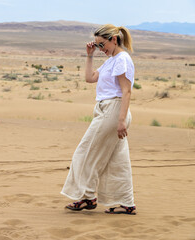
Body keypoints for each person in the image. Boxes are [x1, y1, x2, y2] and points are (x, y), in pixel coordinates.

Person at [60, 24, 136, 215]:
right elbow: (90, 78)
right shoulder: (110, 60)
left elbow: (126, 91)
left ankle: (87, 197)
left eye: (102, 45)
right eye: (97, 45)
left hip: (113, 110)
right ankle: (126, 202)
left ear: (114, 39)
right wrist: (89, 55)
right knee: (117, 160)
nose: (101, 49)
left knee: (85, 153)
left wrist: (120, 121)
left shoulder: (121, 59)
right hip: (106, 110)